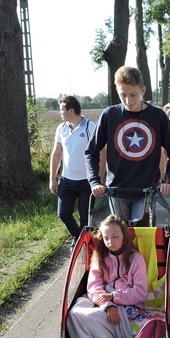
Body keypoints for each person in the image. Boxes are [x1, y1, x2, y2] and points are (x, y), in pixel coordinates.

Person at [85, 66, 170, 224]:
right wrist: (95, 181)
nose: (128, 101)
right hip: (116, 190)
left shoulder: (157, 116)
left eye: (133, 95)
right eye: (123, 95)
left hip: (146, 190)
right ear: (117, 91)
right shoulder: (109, 115)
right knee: (120, 239)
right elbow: (91, 152)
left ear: (143, 90)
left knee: (142, 237)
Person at [66, 214, 148, 338]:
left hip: (128, 304)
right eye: (106, 238)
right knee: (73, 313)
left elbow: (140, 293)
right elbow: (93, 286)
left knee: (91, 317)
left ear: (124, 236)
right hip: (102, 300)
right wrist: (107, 304)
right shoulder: (99, 257)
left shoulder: (136, 259)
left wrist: (113, 297)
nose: (111, 242)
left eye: (115, 236)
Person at [49, 96, 101, 248]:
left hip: (87, 182)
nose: (60, 113)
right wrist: (52, 178)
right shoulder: (61, 128)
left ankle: (85, 246)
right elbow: (57, 153)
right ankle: (78, 238)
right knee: (63, 213)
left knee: (85, 218)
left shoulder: (90, 127)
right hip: (67, 180)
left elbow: (101, 153)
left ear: (71, 110)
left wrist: (98, 177)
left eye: (62, 110)